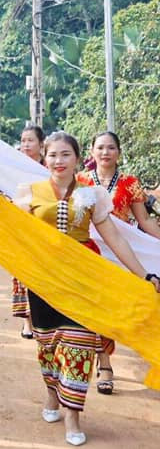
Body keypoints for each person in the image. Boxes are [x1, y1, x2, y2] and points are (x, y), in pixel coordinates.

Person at [15, 131, 160, 446]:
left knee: (79, 344)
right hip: (45, 280)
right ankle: (53, 395)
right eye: (53, 155)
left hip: (83, 278)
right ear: (45, 157)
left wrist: (144, 274)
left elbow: (115, 238)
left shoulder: (91, 195)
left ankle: (73, 415)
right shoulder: (30, 193)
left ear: (78, 159)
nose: (59, 161)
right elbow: (18, 236)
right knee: (48, 345)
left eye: (66, 155)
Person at [76, 131, 160, 394]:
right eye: (100, 147)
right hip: (92, 254)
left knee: (127, 305)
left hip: (122, 254)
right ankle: (105, 365)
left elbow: (144, 221)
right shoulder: (79, 181)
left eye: (111, 148)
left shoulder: (130, 183)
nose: (105, 152)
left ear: (118, 153)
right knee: (100, 308)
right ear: (91, 152)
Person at [13, 125, 45, 339]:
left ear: (41, 145)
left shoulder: (50, 168)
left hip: (45, 229)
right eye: (23, 140)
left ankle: (44, 319)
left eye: (30, 141)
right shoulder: (12, 166)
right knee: (23, 273)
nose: (25, 145)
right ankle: (27, 321)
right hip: (21, 227)